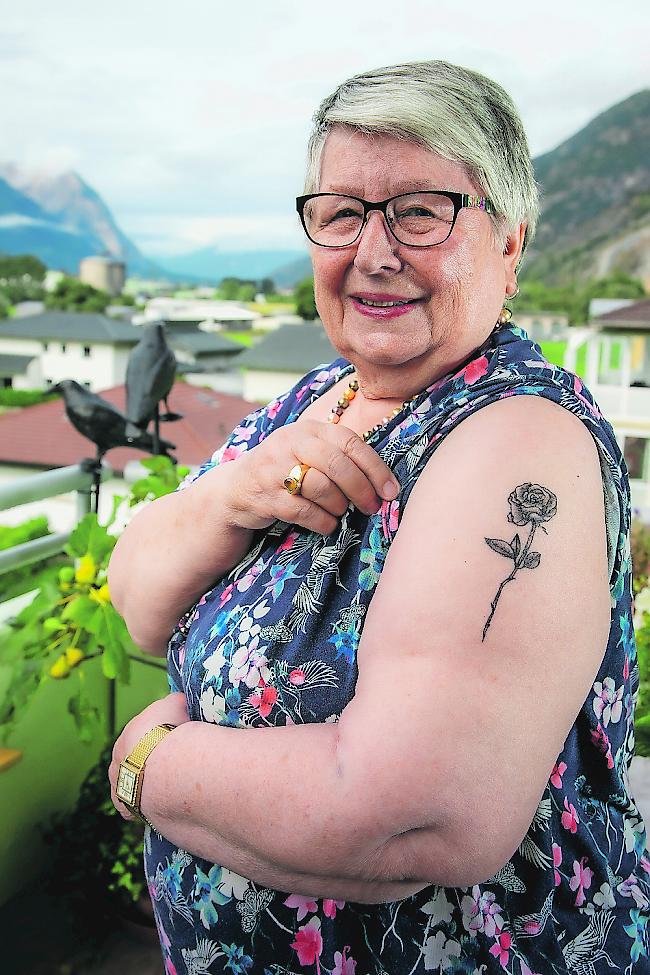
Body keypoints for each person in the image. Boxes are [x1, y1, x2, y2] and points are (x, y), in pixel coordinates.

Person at [108, 60, 649, 974]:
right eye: (341, 212)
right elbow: (139, 602)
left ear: (509, 246)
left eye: (423, 211)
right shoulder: (317, 397)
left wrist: (148, 763)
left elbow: (420, 812)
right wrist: (225, 496)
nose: (375, 250)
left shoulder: (516, 438)